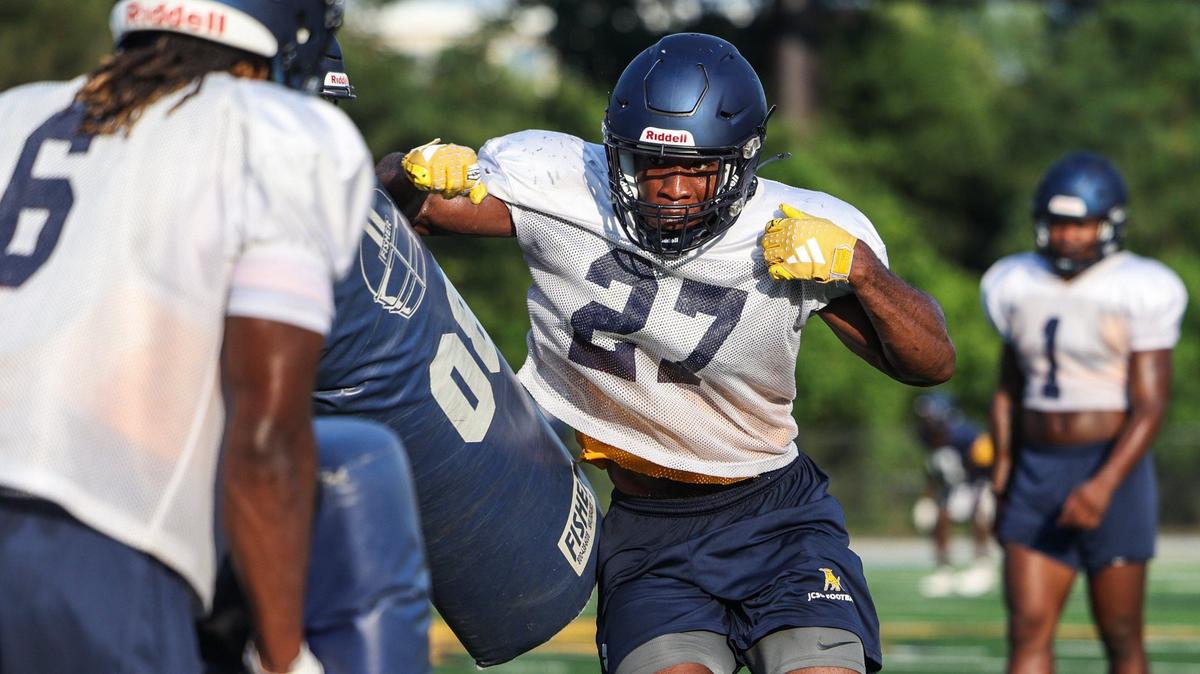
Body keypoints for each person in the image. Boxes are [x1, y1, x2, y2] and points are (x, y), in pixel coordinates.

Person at [384, 32, 955, 674]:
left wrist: (863, 273)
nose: (675, 188)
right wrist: (407, 169)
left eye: (697, 168)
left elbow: (931, 363)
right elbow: (382, 216)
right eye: (652, 166)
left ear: (740, 163)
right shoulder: (558, 185)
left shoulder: (794, 228)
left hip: (779, 516)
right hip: (645, 527)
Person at [0, 2, 373, 673]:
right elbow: (268, 430)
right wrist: (284, 656)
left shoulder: (15, 111)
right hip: (91, 555)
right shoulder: (271, 130)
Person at [982, 151, 1187, 674]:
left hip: (1111, 467)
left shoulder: (1140, 285)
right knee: (1028, 629)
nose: (1069, 236)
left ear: (1108, 225)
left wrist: (1102, 485)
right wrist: (1004, 463)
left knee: (1120, 634)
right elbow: (1008, 386)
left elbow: (1151, 404)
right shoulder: (1014, 281)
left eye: (1080, 224)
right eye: (1058, 224)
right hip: (1036, 467)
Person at [911, 393, 996, 598]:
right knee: (940, 516)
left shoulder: (966, 435)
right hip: (957, 484)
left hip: (981, 481)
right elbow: (934, 468)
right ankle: (944, 569)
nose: (926, 422)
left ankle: (982, 566)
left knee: (980, 513)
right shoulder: (927, 436)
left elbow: (987, 465)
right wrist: (927, 497)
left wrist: (983, 492)